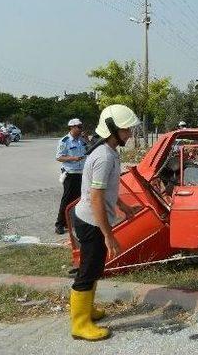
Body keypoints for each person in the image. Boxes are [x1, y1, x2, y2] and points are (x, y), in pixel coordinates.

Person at [69, 104, 140, 341]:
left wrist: (123, 206)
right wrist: (108, 234)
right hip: (91, 222)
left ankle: (87, 310)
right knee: (88, 271)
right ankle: (79, 324)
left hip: (93, 221)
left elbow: (107, 189)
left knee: (96, 267)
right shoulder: (103, 157)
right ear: (112, 129)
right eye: (126, 130)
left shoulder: (109, 152)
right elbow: (97, 198)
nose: (130, 135)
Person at [55, 118, 87, 234]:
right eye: (78, 127)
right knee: (67, 200)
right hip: (70, 173)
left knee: (78, 199)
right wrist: (73, 158)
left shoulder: (82, 141)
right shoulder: (65, 141)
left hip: (81, 173)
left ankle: (72, 222)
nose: (80, 129)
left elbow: (89, 150)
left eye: (81, 127)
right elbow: (59, 157)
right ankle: (59, 224)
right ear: (72, 127)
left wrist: (86, 140)